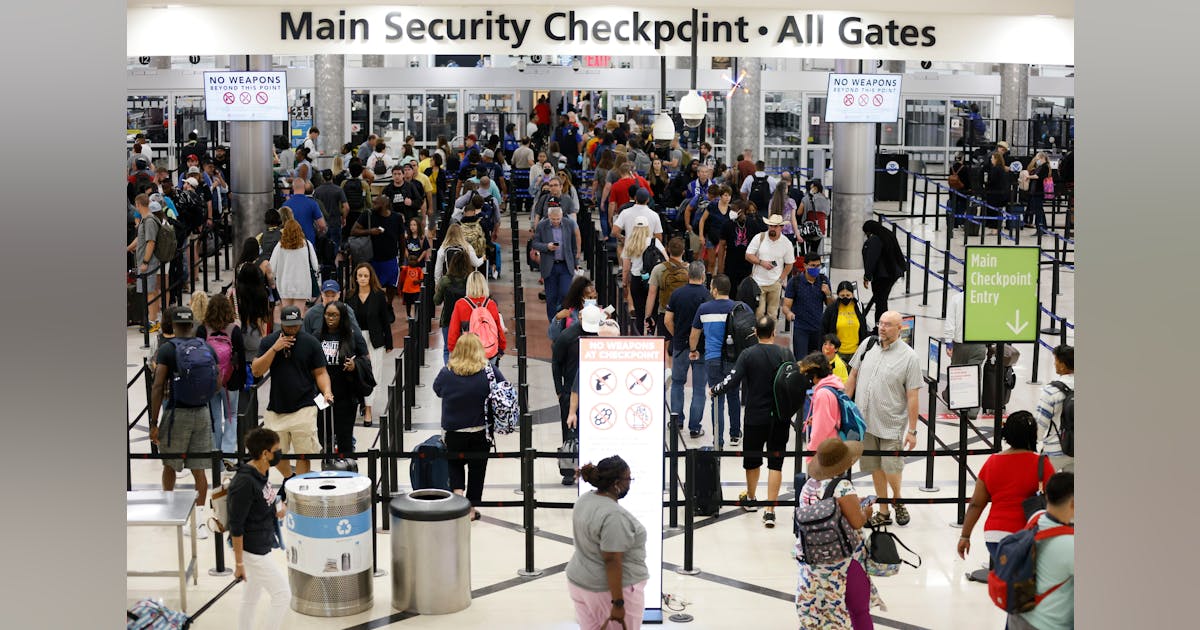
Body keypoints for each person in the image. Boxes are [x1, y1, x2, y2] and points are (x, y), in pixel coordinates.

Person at [709, 316, 795, 526]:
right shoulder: (785, 353)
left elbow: (733, 379)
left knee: (752, 460)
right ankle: (770, 510)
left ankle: (751, 497)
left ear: (756, 332)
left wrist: (716, 389)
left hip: (755, 416)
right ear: (774, 332)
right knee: (776, 464)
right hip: (780, 417)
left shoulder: (748, 354)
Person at [845, 311, 923, 527]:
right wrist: (842, 407)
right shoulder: (868, 345)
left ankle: (897, 499)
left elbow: (913, 396)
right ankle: (883, 510)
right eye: (881, 323)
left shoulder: (909, 358)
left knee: (891, 467)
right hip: (866, 423)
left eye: (888, 325)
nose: (882, 328)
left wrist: (912, 430)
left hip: (891, 425)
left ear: (900, 329)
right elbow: (853, 376)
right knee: (875, 467)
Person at [796, 438, 883, 629]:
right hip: (843, 559)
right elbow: (857, 521)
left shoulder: (808, 486)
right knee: (859, 610)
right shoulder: (843, 487)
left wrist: (850, 503)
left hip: (812, 558)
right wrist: (866, 511)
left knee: (818, 615)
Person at [148, 306, 216, 538]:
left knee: (170, 464)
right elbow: (217, 381)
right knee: (199, 469)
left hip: (178, 413)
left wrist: (154, 421)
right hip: (203, 413)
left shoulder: (168, 349)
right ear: (193, 324)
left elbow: (158, 386)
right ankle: (198, 523)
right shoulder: (205, 347)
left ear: (174, 325)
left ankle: (169, 510)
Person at [957, 411, 1054, 569]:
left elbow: (976, 504)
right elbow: (1056, 503)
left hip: (994, 536)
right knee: (1024, 583)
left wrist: (965, 536)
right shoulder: (1042, 464)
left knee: (1008, 579)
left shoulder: (992, 462)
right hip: (1028, 535)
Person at [566, 455, 650, 630]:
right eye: (628, 479)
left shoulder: (585, 499)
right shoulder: (613, 516)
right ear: (616, 483)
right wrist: (618, 603)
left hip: (580, 582)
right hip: (606, 591)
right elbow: (611, 560)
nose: (630, 483)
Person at [251, 306, 333, 479]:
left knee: (304, 453)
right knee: (275, 453)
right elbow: (256, 371)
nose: (292, 329)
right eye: (288, 326)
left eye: (295, 325)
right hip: (276, 407)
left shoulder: (311, 343)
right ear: (281, 323)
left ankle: (300, 486)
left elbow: (321, 372)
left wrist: (327, 391)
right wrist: (275, 348)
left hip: (304, 406)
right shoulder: (269, 342)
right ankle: (289, 478)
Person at [433, 333, 506, 521]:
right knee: (477, 470)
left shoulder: (446, 372)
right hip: (481, 432)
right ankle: (472, 509)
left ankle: (458, 500)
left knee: (454, 465)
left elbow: (437, 390)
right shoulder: (489, 372)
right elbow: (504, 389)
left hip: (454, 432)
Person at [229, 428, 290, 630]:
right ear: (265, 453)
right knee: (282, 594)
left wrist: (278, 510)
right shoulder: (244, 482)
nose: (279, 454)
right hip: (252, 550)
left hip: (261, 543)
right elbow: (236, 526)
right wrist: (239, 563)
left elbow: (264, 501)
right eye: (277, 450)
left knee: (251, 596)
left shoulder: (261, 472)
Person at [1009, 472, 1074, 630]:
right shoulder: (1070, 545)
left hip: (1018, 618)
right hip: (1047, 624)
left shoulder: (1034, 522)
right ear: (1073, 503)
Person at [555, 305, 605, 484]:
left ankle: (593, 469)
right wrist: (560, 390)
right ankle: (569, 470)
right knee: (569, 433)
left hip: (596, 391)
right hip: (570, 391)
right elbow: (556, 363)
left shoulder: (601, 335)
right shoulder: (567, 337)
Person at [689, 275, 741, 448]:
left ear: (715, 290)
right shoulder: (740, 307)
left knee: (716, 397)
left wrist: (693, 350)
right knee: (734, 395)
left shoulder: (704, 308)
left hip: (712, 359)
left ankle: (718, 439)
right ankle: (735, 435)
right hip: (734, 360)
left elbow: (694, 334)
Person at [316, 301, 369, 459]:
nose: (330, 318)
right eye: (327, 314)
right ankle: (328, 464)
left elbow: (365, 360)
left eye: (334, 315)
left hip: (346, 394)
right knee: (323, 434)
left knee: (345, 435)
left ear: (342, 317)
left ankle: (347, 468)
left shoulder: (352, 336)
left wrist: (355, 365)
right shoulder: (317, 337)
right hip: (322, 396)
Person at [665, 260, 712, 438]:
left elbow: (667, 320)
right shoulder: (707, 296)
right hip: (701, 348)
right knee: (699, 389)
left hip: (680, 346)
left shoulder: (677, 294)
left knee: (677, 383)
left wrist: (677, 335)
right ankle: (694, 427)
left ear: (688, 275)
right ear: (702, 275)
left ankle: (676, 421)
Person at [346, 263, 394, 427]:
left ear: (371, 277)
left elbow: (384, 320)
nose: (363, 279)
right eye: (360, 276)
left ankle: (368, 409)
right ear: (356, 277)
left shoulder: (379, 295)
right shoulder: (350, 295)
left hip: (374, 340)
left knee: (374, 373)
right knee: (356, 372)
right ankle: (360, 400)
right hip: (355, 340)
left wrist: (389, 341)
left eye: (366, 276)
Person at [201, 293, 247, 459]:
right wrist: (242, 381)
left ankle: (216, 455)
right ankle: (229, 455)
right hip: (231, 380)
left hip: (210, 381)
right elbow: (241, 357)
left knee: (214, 416)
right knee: (231, 415)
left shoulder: (203, 329)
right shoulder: (234, 330)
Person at [531, 206, 582, 323]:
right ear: (549, 217)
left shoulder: (569, 224)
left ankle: (564, 319)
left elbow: (573, 246)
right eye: (553, 219)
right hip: (550, 266)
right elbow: (535, 243)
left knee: (565, 293)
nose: (556, 221)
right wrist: (546, 247)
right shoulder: (542, 226)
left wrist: (576, 262)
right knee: (551, 297)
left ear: (562, 216)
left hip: (565, 265)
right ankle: (553, 322)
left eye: (558, 219)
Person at [352, 195, 405, 306]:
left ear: (385, 205)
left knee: (391, 285)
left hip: (390, 258)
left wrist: (402, 259)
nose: (373, 205)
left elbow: (401, 239)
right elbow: (354, 231)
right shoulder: (368, 214)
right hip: (372, 258)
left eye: (376, 203)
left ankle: (389, 305)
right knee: (372, 285)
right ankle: (372, 306)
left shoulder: (396, 218)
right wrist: (370, 231)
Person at [943, 290, 987, 420]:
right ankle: (973, 411)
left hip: (960, 344)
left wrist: (948, 342)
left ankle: (956, 402)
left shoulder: (956, 299)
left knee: (957, 371)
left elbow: (951, 322)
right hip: (979, 344)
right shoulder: (985, 298)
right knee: (975, 375)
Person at [620, 219, 667, 335]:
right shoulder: (655, 242)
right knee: (654, 308)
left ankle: (639, 335)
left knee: (639, 311)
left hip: (636, 279)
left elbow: (626, 268)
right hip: (653, 279)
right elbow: (666, 260)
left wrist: (625, 283)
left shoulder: (630, 243)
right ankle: (651, 331)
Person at [447, 270, 507, 361]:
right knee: (489, 375)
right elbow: (498, 328)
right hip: (489, 350)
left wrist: (452, 350)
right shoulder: (491, 304)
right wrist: (501, 347)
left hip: (468, 352)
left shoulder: (460, 304)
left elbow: (453, 331)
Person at [783, 252, 834, 359]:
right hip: (801, 329)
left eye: (818, 266)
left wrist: (828, 294)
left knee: (817, 361)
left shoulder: (823, 280)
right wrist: (789, 313)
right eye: (812, 266)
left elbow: (831, 306)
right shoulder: (795, 282)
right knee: (801, 361)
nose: (816, 268)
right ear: (805, 266)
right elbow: (786, 306)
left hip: (818, 329)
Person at [745, 214, 796, 319]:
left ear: (781, 227)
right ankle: (758, 334)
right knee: (759, 313)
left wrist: (780, 279)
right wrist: (760, 262)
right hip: (758, 282)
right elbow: (748, 255)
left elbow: (789, 264)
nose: (772, 228)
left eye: (776, 226)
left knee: (772, 314)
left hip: (775, 283)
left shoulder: (786, 243)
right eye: (771, 226)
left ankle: (771, 334)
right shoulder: (759, 238)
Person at [799, 353, 847, 462]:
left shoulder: (822, 393)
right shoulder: (834, 387)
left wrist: (811, 453)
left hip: (825, 451)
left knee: (822, 479)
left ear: (814, 374)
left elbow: (821, 429)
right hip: (836, 445)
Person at [128, 195, 165, 332]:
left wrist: (145, 261)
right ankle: (153, 319)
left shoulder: (149, 221)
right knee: (152, 290)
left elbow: (151, 242)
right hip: (147, 261)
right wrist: (128, 248)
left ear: (138, 204)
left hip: (149, 262)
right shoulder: (146, 219)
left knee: (150, 292)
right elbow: (140, 238)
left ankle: (152, 321)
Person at [268, 218, 319, 315]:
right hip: (302, 285)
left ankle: (286, 330)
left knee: (287, 315)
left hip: (285, 285)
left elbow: (272, 267)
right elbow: (315, 266)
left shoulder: (280, 246)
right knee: (299, 315)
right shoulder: (307, 244)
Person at [1036, 345, 1075, 473]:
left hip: (1055, 449)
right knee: (1071, 490)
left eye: (1056, 361)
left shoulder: (1051, 391)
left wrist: (1036, 441)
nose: (1054, 364)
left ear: (1063, 365)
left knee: (1039, 484)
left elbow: (1041, 423)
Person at [644, 237, 691, 341]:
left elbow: (651, 294)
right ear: (683, 251)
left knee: (666, 347)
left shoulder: (658, 269)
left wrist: (648, 316)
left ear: (668, 249)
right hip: (684, 313)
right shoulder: (689, 269)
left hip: (664, 313)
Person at [860, 221, 906, 325]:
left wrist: (867, 277)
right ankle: (882, 325)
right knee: (882, 300)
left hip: (882, 275)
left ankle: (880, 327)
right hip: (892, 273)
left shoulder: (875, 239)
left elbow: (871, 259)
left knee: (880, 302)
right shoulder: (887, 234)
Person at [717, 200, 767, 294]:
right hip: (731, 264)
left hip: (747, 264)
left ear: (742, 211)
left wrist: (757, 265)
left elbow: (759, 246)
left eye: (734, 210)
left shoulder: (752, 224)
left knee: (746, 293)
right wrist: (720, 267)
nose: (732, 212)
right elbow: (722, 246)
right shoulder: (727, 224)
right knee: (731, 292)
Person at [435, 249, 473, 366]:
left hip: (448, 319)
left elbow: (437, 301)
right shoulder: (470, 280)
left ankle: (449, 373)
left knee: (447, 349)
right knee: (466, 351)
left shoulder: (445, 281)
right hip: (467, 321)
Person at [822, 281, 870, 364]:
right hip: (838, 353)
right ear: (838, 295)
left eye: (848, 295)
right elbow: (824, 330)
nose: (845, 298)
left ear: (852, 294)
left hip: (856, 353)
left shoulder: (859, 306)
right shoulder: (831, 309)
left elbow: (863, 328)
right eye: (842, 295)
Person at [281, 178, 327, 246]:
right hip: (308, 240)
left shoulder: (285, 205)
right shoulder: (312, 203)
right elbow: (322, 225)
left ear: (293, 188)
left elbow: (283, 225)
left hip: (291, 242)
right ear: (304, 187)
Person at [312, 173, 349, 251]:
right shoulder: (338, 189)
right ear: (332, 177)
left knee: (322, 248)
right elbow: (346, 207)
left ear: (323, 178)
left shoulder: (317, 191)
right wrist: (343, 218)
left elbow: (314, 205)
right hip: (335, 222)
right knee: (335, 246)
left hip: (321, 224)